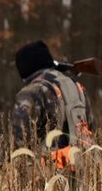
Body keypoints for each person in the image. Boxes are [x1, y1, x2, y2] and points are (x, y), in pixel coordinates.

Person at [11, 40, 94, 172]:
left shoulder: (31, 93)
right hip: (84, 173)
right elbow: (91, 128)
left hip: (47, 179)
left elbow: (19, 142)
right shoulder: (77, 87)